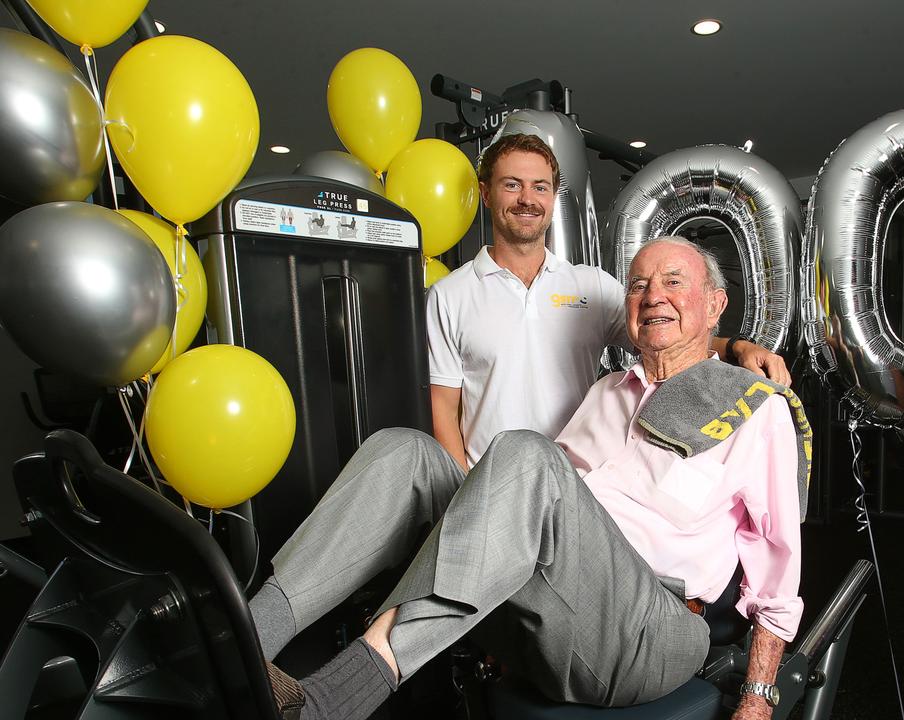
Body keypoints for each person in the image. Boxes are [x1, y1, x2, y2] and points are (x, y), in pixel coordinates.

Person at [250, 237, 807, 720]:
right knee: (406, 451)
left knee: (525, 454)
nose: (651, 295)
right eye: (638, 284)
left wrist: (758, 695)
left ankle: (335, 700)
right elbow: (534, 500)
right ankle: (244, 642)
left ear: (715, 305)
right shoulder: (607, 392)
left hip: (650, 631)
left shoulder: (757, 410)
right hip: (548, 605)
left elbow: (777, 571)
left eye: (672, 282)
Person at [427, 133, 789, 469]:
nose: (527, 199)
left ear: (552, 197)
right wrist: (464, 494)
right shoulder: (450, 295)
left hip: (579, 486)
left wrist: (738, 348)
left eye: (540, 187)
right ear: (486, 193)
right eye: (511, 185)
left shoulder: (591, 286)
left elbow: (666, 337)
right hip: (492, 485)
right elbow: (444, 410)